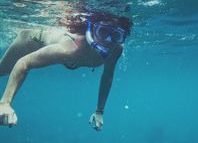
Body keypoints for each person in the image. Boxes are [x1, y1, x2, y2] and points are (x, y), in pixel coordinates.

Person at [0, 11, 132, 130]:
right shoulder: (71, 49)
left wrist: (99, 111)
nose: (107, 41)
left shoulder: (116, 50)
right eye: (102, 31)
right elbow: (24, 63)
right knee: (2, 70)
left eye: (116, 35)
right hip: (33, 39)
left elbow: (108, 76)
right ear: (92, 30)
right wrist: (5, 103)